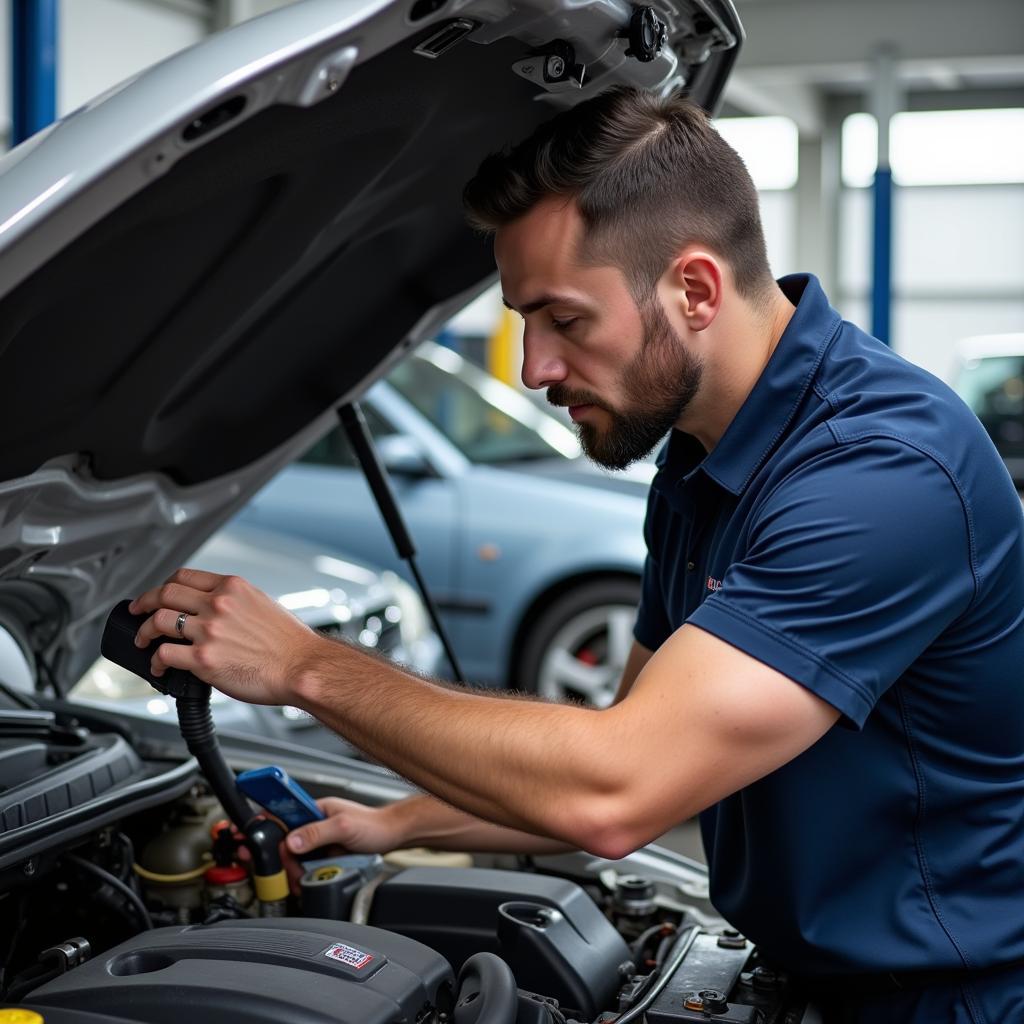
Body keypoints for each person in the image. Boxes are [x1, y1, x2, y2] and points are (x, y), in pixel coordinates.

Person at [130, 87, 1024, 1022]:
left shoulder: (880, 477)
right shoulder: (704, 456)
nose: (533, 369)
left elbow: (617, 789)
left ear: (695, 289)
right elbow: (628, 734)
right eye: (524, 320)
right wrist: (396, 822)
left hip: (948, 1002)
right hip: (819, 982)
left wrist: (305, 666)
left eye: (564, 319)